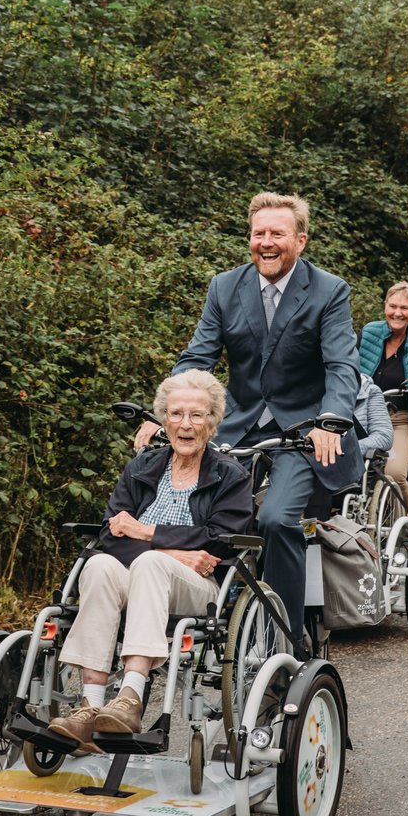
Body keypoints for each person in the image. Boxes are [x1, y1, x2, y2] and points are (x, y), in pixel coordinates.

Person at [135, 191, 363, 644]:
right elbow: (198, 356)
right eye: (258, 233)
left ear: (300, 240)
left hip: (302, 431)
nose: (266, 242)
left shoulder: (329, 291)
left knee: (277, 519)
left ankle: (288, 640)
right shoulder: (225, 286)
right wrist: (169, 413)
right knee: (202, 513)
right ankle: (209, 612)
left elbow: (341, 365)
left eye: (277, 233)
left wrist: (331, 420)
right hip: (238, 426)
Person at [48, 369, 252, 751]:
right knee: (99, 565)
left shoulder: (231, 476)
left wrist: (146, 533)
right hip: (140, 573)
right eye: (176, 414)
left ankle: (130, 697)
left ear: (213, 422)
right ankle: (90, 707)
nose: (185, 424)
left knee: (149, 564)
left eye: (197, 415)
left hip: (197, 587)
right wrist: (171, 549)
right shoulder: (141, 468)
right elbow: (111, 534)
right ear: (163, 420)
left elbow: (219, 539)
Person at [357, 280, 408, 512]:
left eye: (404, 308)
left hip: (399, 421)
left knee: (393, 474)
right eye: (393, 306)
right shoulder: (369, 332)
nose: (397, 313)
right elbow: (345, 364)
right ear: (385, 307)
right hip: (363, 416)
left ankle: (403, 524)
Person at [355, 373, 394, 458]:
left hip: (401, 417)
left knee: (395, 469)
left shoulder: (371, 390)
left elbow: (384, 437)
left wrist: (347, 449)